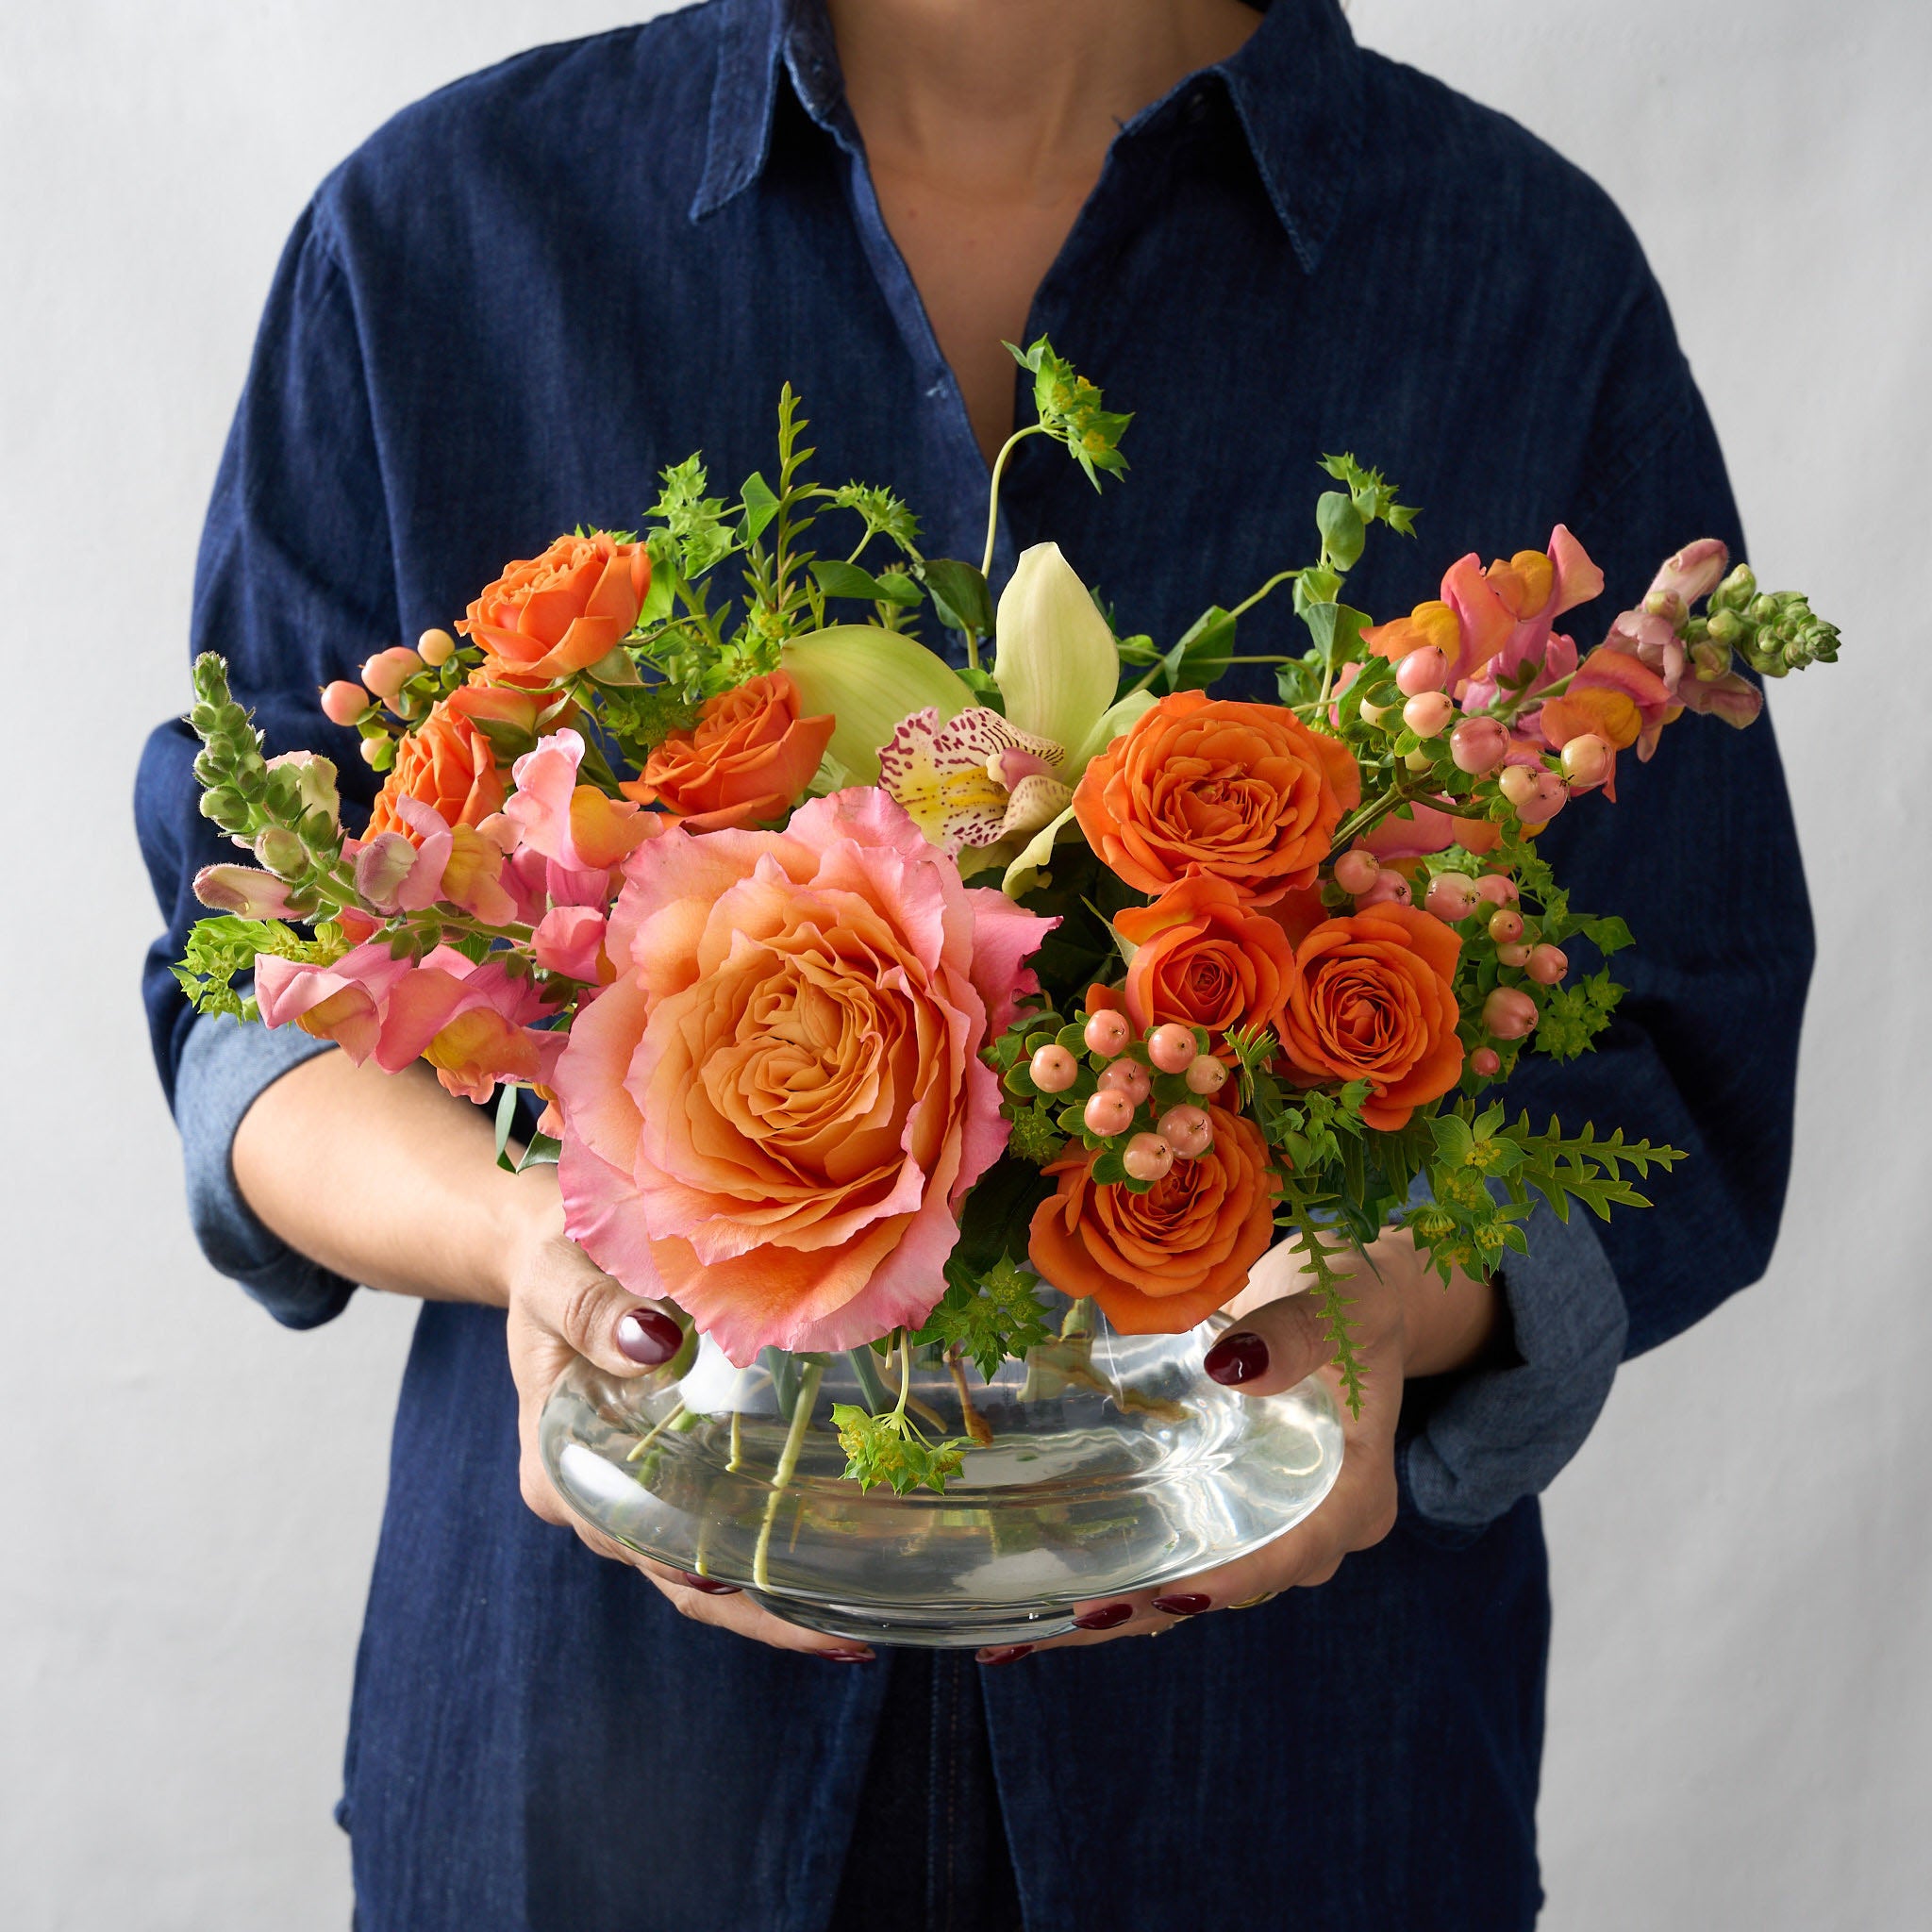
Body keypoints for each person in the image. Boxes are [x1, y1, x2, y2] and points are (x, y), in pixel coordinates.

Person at [135, 1, 1813, 1925]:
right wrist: (526, 1237)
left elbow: (1680, 1044)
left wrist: (1383, 1307)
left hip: (1276, 1770)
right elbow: (239, 996)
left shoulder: (1518, 269)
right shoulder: (445, 235)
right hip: (599, 1773)